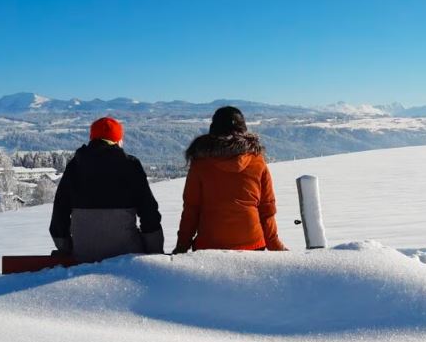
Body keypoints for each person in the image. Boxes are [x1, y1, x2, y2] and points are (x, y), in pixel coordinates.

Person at [173, 106, 287, 253]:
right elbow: (267, 208)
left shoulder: (200, 163)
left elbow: (191, 209)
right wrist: (274, 244)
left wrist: (182, 246)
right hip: (253, 243)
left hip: (209, 244)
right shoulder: (257, 161)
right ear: (243, 130)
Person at [49, 116, 163, 262]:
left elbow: (60, 210)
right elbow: (149, 211)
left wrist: (66, 248)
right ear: (117, 140)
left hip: (84, 254)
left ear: (92, 138)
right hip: (126, 255)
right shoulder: (130, 165)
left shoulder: (75, 165)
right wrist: (155, 251)